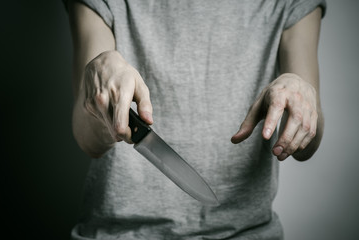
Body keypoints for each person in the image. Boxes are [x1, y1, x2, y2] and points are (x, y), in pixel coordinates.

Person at [65, 0, 326, 239]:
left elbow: (309, 144)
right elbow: (88, 140)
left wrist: (299, 94)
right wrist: (100, 80)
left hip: (247, 233)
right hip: (120, 234)